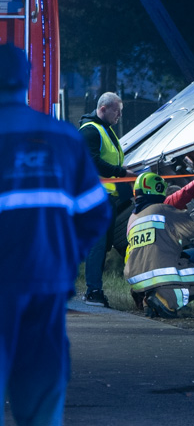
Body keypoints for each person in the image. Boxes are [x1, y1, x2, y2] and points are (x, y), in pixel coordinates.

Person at [0, 43, 112, 425]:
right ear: (27, 81)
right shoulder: (64, 139)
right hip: (47, 284)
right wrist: (64, 259)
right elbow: (96, 214)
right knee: (42, 399)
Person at [125, 153, 194, 318]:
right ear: (158, 189)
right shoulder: (163, 207)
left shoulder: (133, 218)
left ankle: (145, 299)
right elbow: (190, 202)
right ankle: (166, 300)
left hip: (134, 275)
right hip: (157, 272)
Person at [79, 91, 134, 307]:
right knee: (98, 244)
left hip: (105, 197)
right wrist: (121, 173)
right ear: (103, 109)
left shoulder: (104, 130)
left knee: (103, 245)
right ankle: (93, 291)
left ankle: (95, 289)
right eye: (117, 111)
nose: (119, 116)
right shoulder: (91, 131)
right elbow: (92, 162)